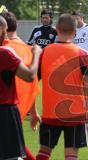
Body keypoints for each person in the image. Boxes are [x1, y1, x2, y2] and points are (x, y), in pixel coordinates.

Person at [32, 14, 88, 160]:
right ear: (75, 32)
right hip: (75, 114)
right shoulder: (82, 54)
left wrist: (34, 111)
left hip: (49, 114)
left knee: (43, 153)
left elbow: (32, 83)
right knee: (71, 154)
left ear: (57, 29)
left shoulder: (45, 52)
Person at [0, 15, 42, 160]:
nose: (6, 35)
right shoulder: (6, 53)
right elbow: (30, 76)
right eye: (4, 31)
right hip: (5, 112)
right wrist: (36, 54)